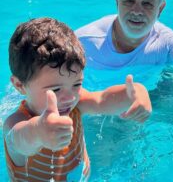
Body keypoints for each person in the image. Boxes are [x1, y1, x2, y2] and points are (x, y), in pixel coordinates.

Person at [3, 17, 151, 181]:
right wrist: (38, 131)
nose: (69, 97)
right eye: (56, 89)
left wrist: (137, 93)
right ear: (20, 85)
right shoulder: (15, 123)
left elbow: (103, 99)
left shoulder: (75, 103)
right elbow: (19, 140)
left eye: (76, 84)